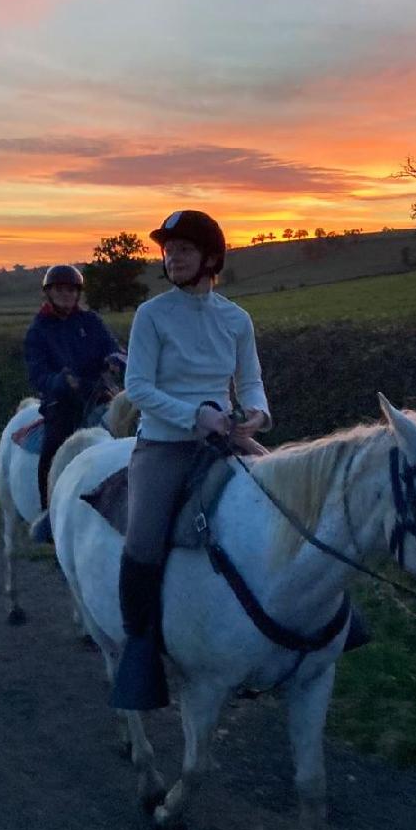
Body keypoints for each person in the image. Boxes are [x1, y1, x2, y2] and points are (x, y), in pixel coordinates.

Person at [111, 209, 271, 711]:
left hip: (222, 439)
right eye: (168, 249)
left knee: (284, 503)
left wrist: (258, 416)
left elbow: (249, 384)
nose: (172, 256)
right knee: (142, 540)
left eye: (182, 248)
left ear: (210, 257)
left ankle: (315, 626)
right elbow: (137, 387)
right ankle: (139, 650)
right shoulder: (152, 315)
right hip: (163, 445)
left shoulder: (236, 319)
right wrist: (194, 415)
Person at [24, 264, 120, 511]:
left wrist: (115, 359)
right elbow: (38, 375)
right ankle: (48, 513)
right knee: (52, 450)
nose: (66, 294)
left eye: (71, 290)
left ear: (78, 293)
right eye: (60, 290)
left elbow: (111, 347)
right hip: (63, 405)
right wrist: (61, 381)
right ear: (49, 293)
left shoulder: (91, 321)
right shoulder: (38, 330)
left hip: (98, 395)